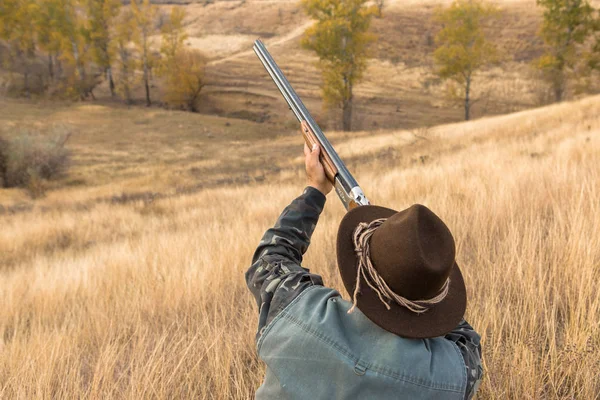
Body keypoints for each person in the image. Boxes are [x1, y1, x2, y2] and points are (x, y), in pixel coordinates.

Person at [246, 142, 483, 399]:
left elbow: (270, 258)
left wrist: (316, 189)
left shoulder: (297, 308)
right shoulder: (455, 374)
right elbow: (464, 338)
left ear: (359, 267)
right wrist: (426, 283)